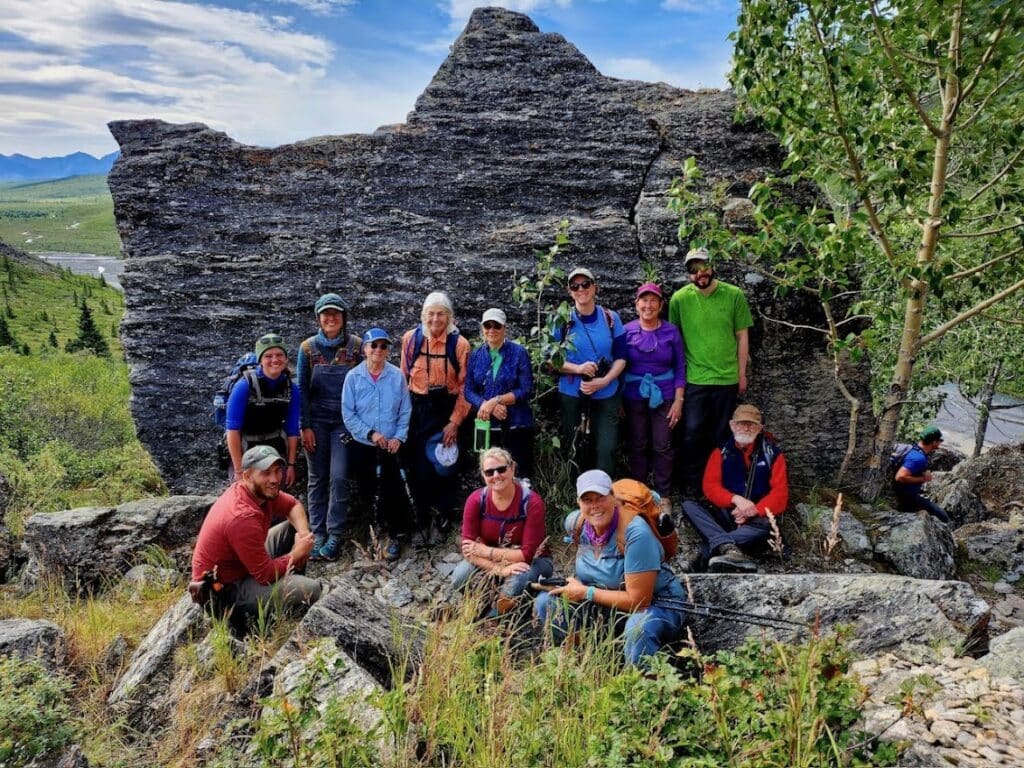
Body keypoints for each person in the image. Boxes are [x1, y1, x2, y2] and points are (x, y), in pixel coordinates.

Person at [534, 469, 686, 667]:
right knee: (546, 603)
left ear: (614, 498)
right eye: (587, 500)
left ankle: (643, 686)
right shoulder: (577, 524)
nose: (594, 506)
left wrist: (585, 592)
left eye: (601, 498)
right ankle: (585, 662)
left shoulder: (635, 534)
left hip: (657, 605)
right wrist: (574, 586)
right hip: (605, 603)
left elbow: (638, 602)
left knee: (637, 628)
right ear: (579, 503)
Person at [191, 445, 321, 623]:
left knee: (294, 530)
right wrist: (297, 552)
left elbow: (293, 505)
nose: (274, 479)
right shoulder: (242, 517)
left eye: (277, 471)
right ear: (247, 476)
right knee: (313, 589)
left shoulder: (259, 492)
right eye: (265, 473)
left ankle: (290, 591)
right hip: (224, 591)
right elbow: (265, 575)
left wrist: (303, 536)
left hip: (244, 564)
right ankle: (282, 606)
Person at [668, 248, 754, 497]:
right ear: (688, 274)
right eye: (693, 270)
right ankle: (691, 488)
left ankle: (718, 487)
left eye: (703, 266)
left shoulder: (734, 295)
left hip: (726, 378)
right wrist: (678, 381)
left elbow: (742, 336)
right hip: (695, 378)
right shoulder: (679, 299)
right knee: (692, 432)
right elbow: (675, 341)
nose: (700, 273)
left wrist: (742, 373)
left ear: (712, 265)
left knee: (721, 435)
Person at [680, 404, 788, 573]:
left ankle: (709, 552)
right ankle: (730, 549)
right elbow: (710, 487)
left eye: (751, 424)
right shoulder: (720, 451)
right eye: (741, 423)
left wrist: (752, 510)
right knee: (688, 506)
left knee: (768, 525)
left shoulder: (773, 454)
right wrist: (736, 500)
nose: (746, 428)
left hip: (756, 522)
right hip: (727, 516)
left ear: (760, 428)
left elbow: (780, 496)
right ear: (732, 425)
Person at [296, 293, 363, 561]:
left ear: (343, 317)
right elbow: (302, 391)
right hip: (317, 423)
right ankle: (317, 533)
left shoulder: (357, 346)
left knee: (338, 476)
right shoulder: (307, 349)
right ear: (319, 319)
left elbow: (363, 386)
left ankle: (335, 534)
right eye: (326, 314)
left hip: (344, 424)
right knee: (317, 478)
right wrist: (305, 427)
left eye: (336, 313)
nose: (331, 318)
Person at [400, 292, 471, 544]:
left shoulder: (460, 344)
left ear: (449, 317)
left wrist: (455, 421)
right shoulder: (410, 340)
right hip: (417, 410)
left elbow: (466, 388)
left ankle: (442, 518)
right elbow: (403, 379)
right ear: (423, 316)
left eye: (441, 314)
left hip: (446, 410)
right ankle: (421, 520)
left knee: (445, 466)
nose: (435, 319)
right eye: (430, 314)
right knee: (418, 467)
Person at [451, 448, 553, 610]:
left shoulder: (532, 503)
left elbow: (526, 554)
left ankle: (497, 617)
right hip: (494, 561)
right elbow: (468, 550)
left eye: (501, 469)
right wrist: (499, 569)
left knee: (516, 579)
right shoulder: (476, 500)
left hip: (535, 561)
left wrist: (484, 551)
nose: (496, 476)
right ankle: (482, 603)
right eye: (489, 472)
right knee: (459, 577)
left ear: (512, 468)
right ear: (483, 475)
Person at [342, 328, 413, 560]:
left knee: (392, 489)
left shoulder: (396, 376)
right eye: (374, 345)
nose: (378, 350)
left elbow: (405, 409)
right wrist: (371, 433)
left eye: (383, 346)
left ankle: (393, 535)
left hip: (390, 445)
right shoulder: (353, 377)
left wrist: (399, 437)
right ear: (365, 349)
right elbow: (348, 414)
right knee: (366, 489)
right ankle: (371, 533)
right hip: (364, 444)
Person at [621, 282, 686, 515]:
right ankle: (638, 493)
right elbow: (619, 365)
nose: (648, 305)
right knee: (637, 444)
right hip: (633, 394)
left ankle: (663, 495)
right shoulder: (626, 331)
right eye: (644, 300)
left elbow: (680, 367)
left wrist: (679, 401)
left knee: (663, 444)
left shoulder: (671, 331)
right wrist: (618, 399)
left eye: (653, 301)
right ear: (636, 304)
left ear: (660, 305)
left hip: (665, 394)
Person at [556, 268, 627, 477]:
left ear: (594, 287)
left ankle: (604, 492)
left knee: (606, 447)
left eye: (586, 284)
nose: (581, 289)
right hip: (572, 392)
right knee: (574, 443)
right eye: (575, 286)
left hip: (607, 392)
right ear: (570, 292)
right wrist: (578, 368)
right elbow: (552, 360)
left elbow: (621, 356)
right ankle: (574, 491)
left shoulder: (610, 318)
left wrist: (604, 380)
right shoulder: (562, 320)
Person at [463, 308, 535, 477]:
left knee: (518, 472)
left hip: (516, 422)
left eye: (497, 326)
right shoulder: (475, 356)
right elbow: (468, 389)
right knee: (488, 472)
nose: (492, 330)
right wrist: (486, 406)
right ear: (482, 328)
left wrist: (495, 401)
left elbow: (526, 389)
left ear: (505, 328)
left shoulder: (519, 353)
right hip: (485, 423)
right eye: (487, 325)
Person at [225, 333, 301, 487]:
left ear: (286, 359)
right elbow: (232, 430)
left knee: (276, 492)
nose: (275, 360)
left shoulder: (291, 389)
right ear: (260, 360)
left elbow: (293, 430)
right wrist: (239, 472)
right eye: (268, 356)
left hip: (275, 448)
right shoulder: (243, 386)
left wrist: (291, 465)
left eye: (280, 355)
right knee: (247, 494)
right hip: (245, 448)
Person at [893, 426, 950, 523]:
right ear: (933, 442)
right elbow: (900, 476)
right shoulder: (919, 458)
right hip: (907, 497)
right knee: (943, 517)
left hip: (907, 493)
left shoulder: (914, 449)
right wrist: (923, 478)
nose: (941, 442)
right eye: (940, 440)